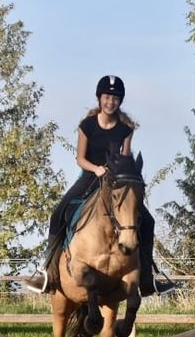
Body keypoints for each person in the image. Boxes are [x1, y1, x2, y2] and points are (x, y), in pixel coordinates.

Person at [26, 75, 176, 296]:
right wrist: (96, 169)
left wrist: (121, 173)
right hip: (90, 176)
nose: (110, 102)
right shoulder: (87, 125)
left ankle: (148, 277)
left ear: (120, 101)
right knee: (58, 213)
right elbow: (80, 158)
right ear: (99, 98)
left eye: (115, 98)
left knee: (147, 221)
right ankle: (47, 271)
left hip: (116, 182)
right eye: (106, 97)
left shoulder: (126, 128)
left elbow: (125, 158)